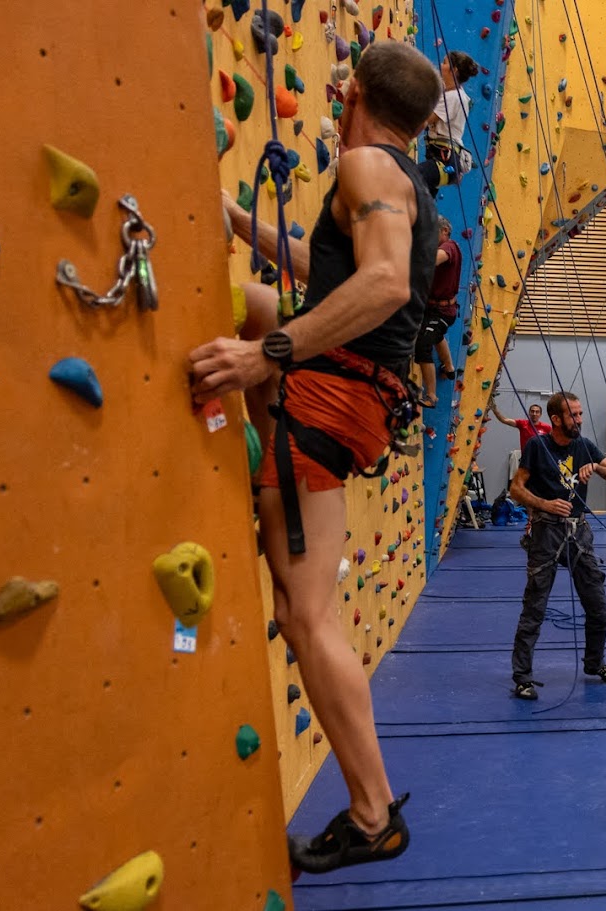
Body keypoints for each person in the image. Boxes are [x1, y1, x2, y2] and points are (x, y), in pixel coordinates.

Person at [190, 42, 441, 873]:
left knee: (305, 617)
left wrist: (268, 357)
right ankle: (372, 809)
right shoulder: (400, 177)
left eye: (342, 90)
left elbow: (381, 286)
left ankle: (372, 811)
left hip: (328, 397)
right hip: (355, 397)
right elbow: (329, 271)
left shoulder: (366, 163)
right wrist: (238, 224)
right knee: (258, 301)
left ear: (355, 93)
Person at [509, 391, 606, 699]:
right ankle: (522, 676)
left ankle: (594, 662)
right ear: (556, 419)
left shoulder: (584, 445)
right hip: (546, 532)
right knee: (535, 606)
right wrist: (544, 504)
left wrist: (598, 468)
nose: (579, 419)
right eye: (573, 415)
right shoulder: (538, 446)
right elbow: (516, 488)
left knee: (597, 605)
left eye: (580, 414)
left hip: (579, 533)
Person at [417, 50, 479, 195]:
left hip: (444, 160)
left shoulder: (454, 97)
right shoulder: (453, 94)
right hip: (440, 157)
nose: (441, 65)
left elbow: (425, 120)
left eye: (444, 63)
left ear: (454, 69)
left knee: (410, 177)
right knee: (422, 205)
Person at [413, 216, 460, 407]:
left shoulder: (450, 247)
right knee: (435, 334)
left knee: (423, 345)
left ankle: (431, 396)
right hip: (431, 307)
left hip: (443, 310)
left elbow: (433, 259)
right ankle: (448, 367)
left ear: (444, 232)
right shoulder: (440, 246)